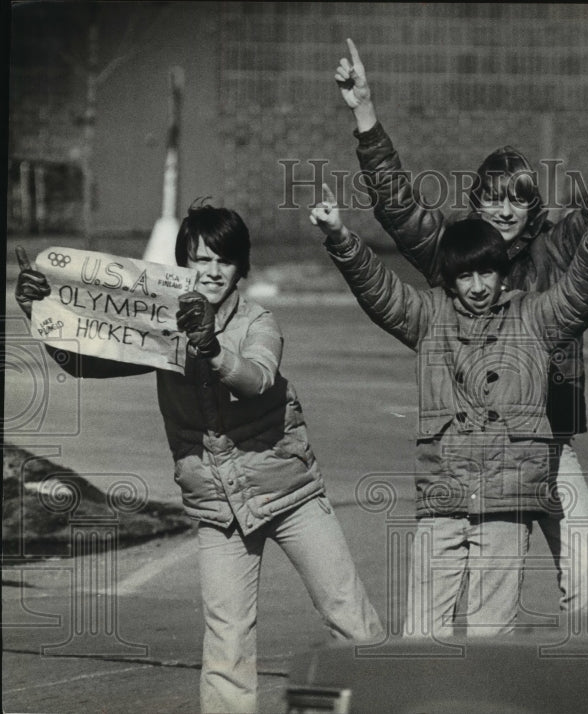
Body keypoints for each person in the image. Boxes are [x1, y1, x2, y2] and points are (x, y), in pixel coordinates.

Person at [14, 204, 384, 714]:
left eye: (223, 261)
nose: (210, 271)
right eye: (199, 259)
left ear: (241, 269)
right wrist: (40, 313)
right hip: (218, 508)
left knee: (348, 613)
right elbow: (88, 360)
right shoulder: (161, 323)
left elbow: (257, 378)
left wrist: (211, 349)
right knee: (227, 638)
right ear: (180, 266)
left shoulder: (259, 321)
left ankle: (390, 700)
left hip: (289, 492)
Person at [333, 38, 588, 616]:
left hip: (552, 443)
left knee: (586, 585)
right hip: (476, 455)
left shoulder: (558, 249)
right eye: (493, 199)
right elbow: (400, 210)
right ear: (477, 203)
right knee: (475, 611)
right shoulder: (454, 256)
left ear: (532, 205)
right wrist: (365, 115)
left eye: (517, 199)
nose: (505, 211)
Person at [310, 184, 588, 637]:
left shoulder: (532, 316)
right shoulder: (429, 316)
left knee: (489, 636)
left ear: (502, 274)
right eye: (465, 277)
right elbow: (379, 292)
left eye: (487, 274)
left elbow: (579, 298)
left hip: (505, 504)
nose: (477, 287)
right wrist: (339, 235)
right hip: (443, 498)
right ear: (450, 280)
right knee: (422, 635)